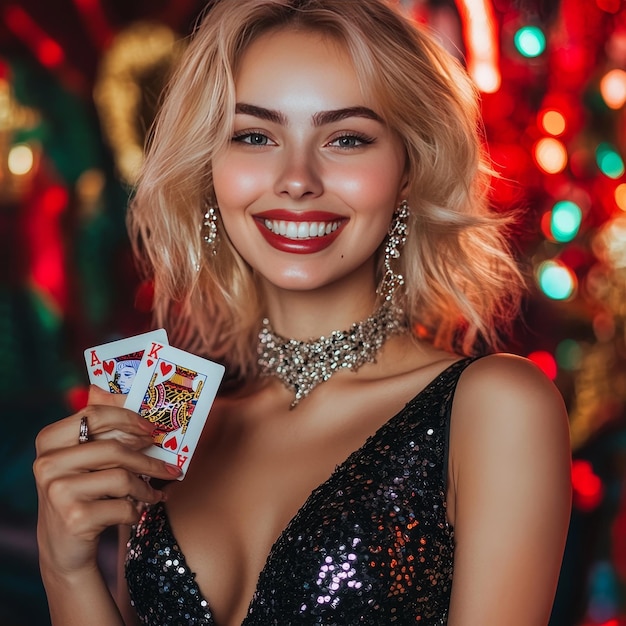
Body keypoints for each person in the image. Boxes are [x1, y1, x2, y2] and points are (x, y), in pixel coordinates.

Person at [33, 1, 572, 624]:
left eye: (346, 138)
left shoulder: (495, 409)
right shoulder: (162, 414)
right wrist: (65, 568)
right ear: (211, 169)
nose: (296, 179)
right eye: (255, 136)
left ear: (408, 170)